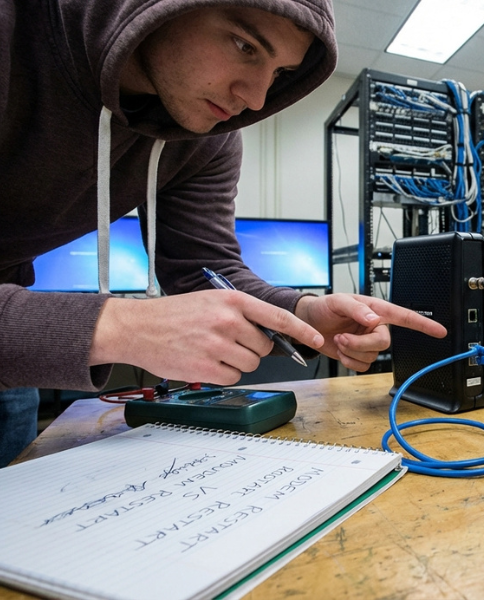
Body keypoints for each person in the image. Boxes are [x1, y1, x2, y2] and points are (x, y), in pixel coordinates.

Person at [0, 0, 447, 466]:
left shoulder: (210, 137)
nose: (255, 99)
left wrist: (302, 313)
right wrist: (116, 325)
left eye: (278, 73)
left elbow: (206, 270)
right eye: (244, 45)